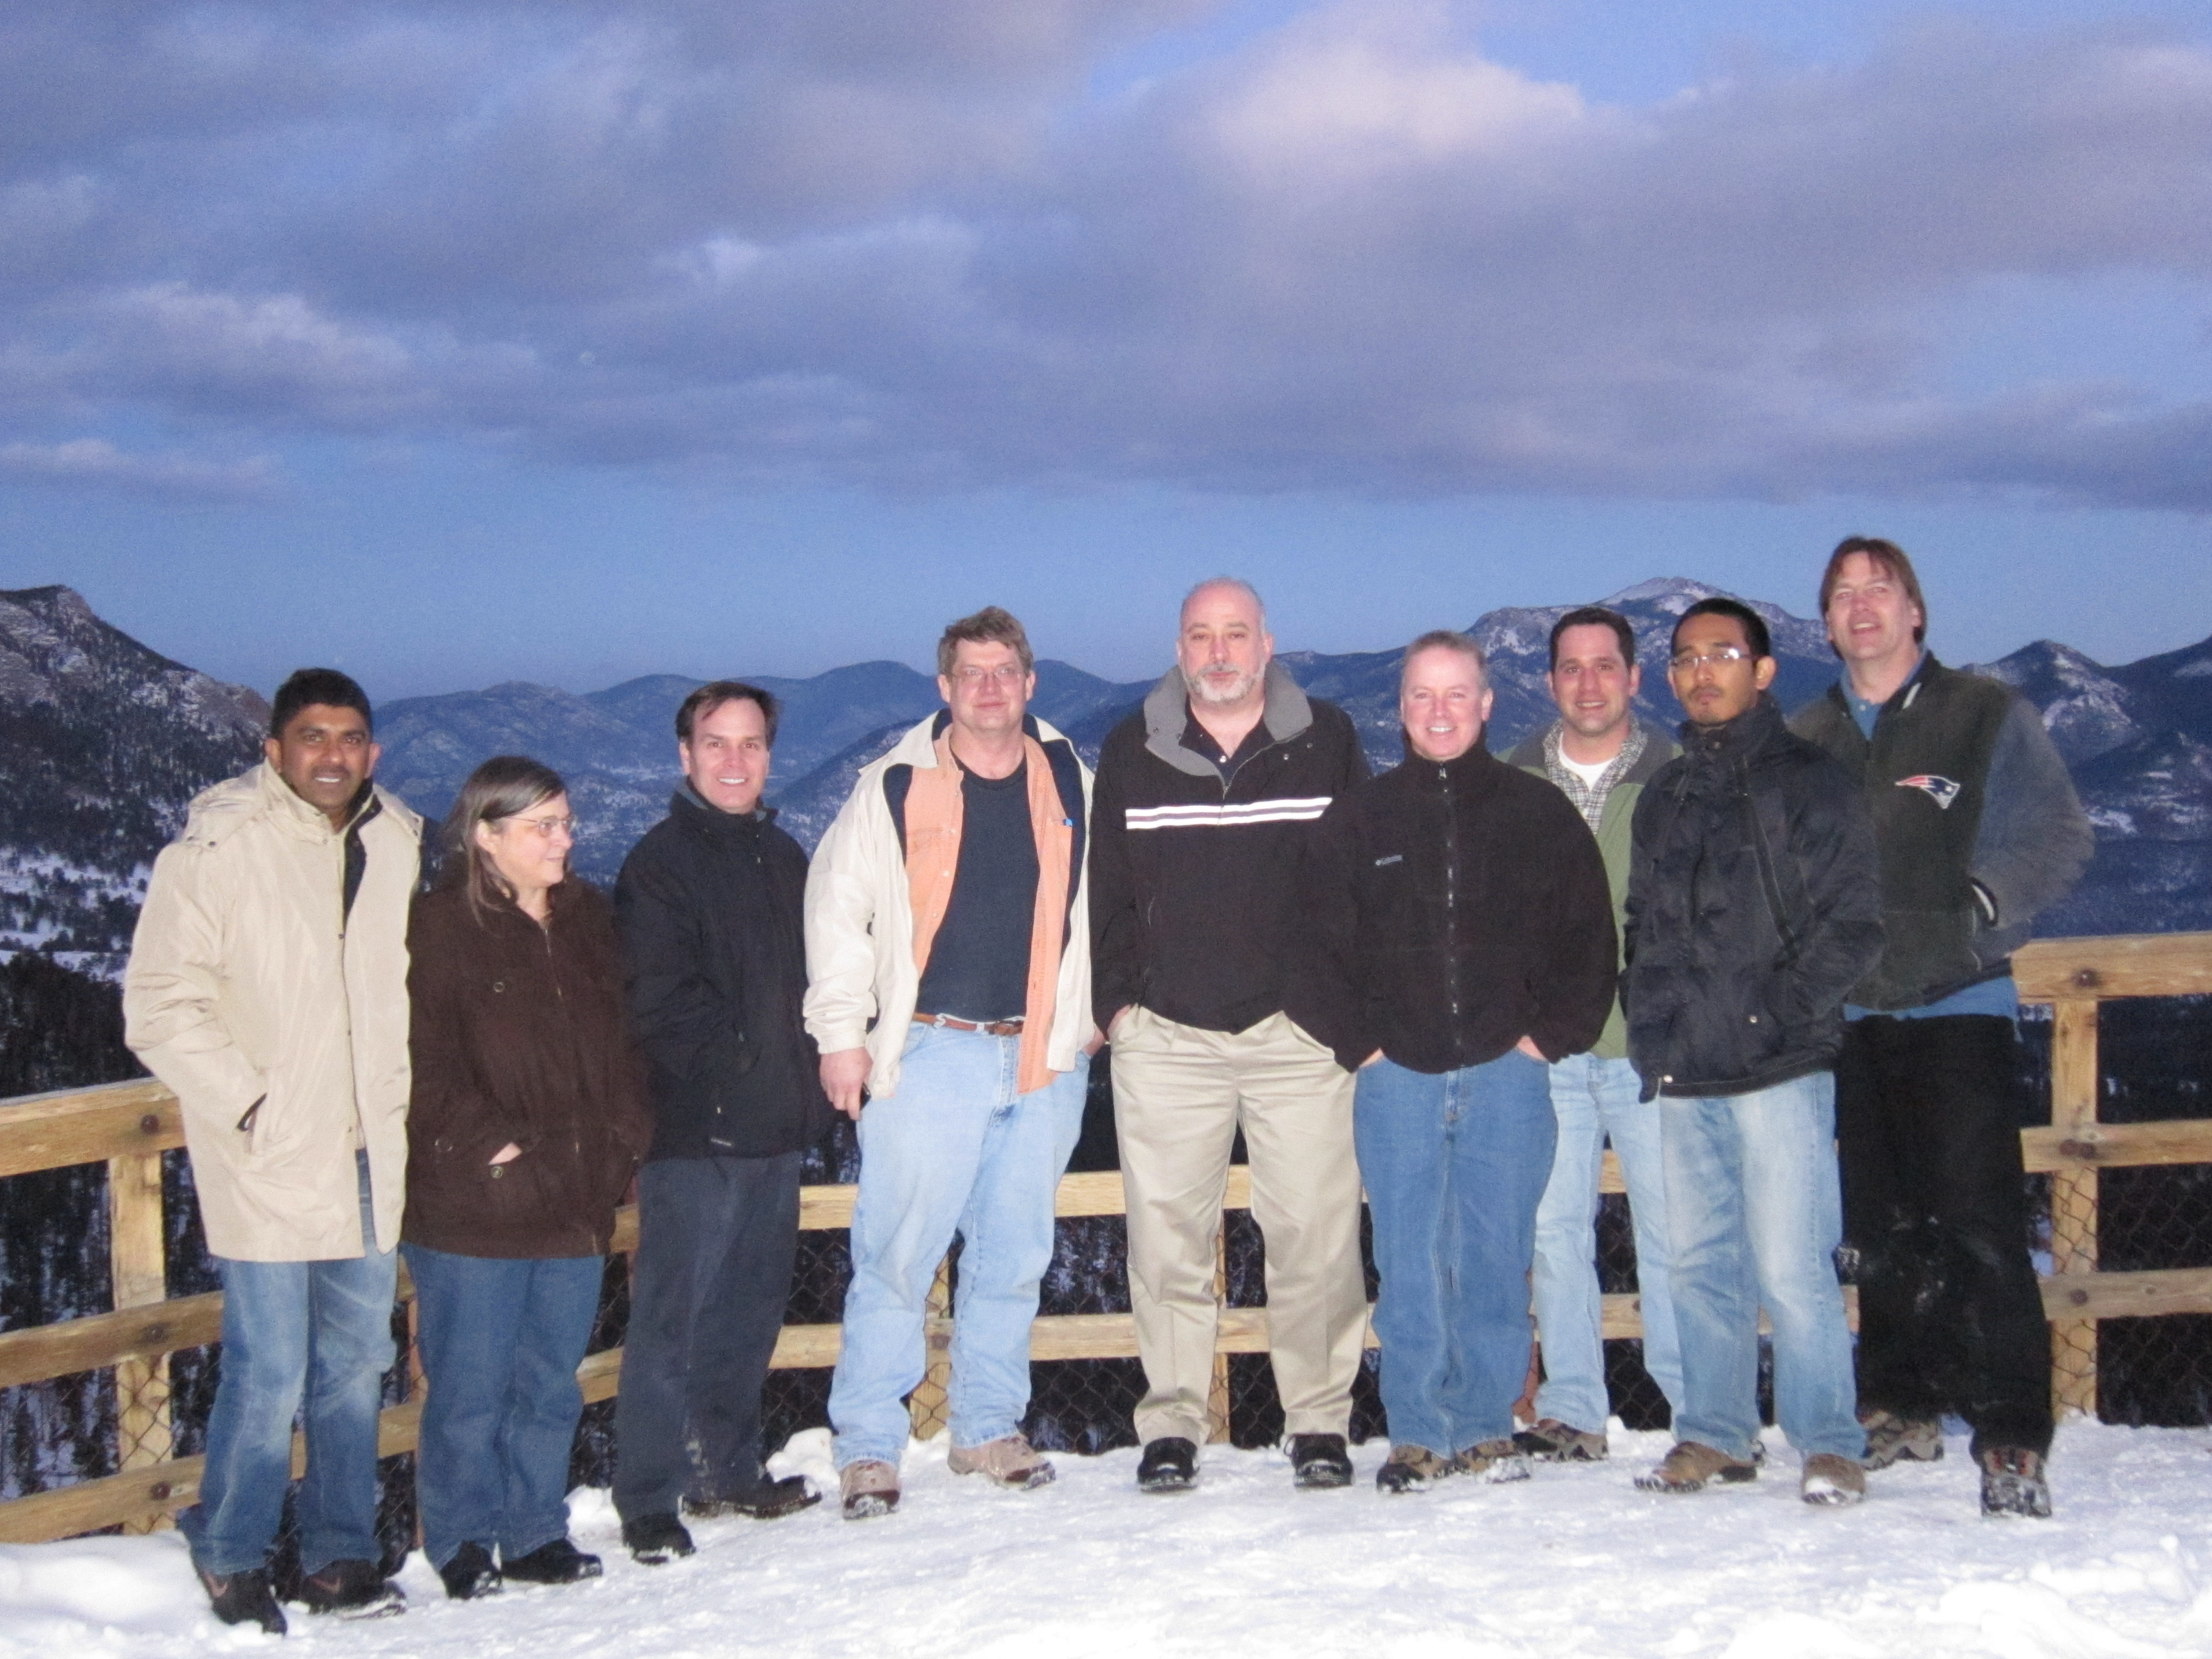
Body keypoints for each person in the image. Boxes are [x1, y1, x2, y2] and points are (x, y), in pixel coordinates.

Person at [1791, 537, 2093, 1518]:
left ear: (1915, 610)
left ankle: (2011, 1431)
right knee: (1880, 1228)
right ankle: (1901, 1403)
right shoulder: (1810, 736)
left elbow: (2058, 834)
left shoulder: (1982, 713)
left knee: (1980, 1226)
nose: (1861, 605)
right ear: (1827, 623)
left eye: (1879, 589)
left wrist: (1978, 905)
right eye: (1843, 594)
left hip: (1959, 1002)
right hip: (1854, 1014)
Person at [124, 669, 421, 1633]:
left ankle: (339, 1553)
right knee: (269, 1371)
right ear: (274, 750)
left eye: (350, 737)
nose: (332, 755)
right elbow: (157, 1006)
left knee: (356, 1364)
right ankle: (231, 1550)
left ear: (372, 750)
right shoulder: (217, 851)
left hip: (369, 1150)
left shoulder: (395, 840)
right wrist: (252, 1106)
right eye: (312, 737)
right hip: (271, 1157)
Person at [1292, 632, 1615, 1493]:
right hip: (1395, 1078)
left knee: (1495, 1256)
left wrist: (1545, 1040)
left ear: (1486, 704)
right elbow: (1309, 952)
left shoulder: (1536, 814)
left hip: (1509, 1075)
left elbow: (1590, 940)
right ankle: (1415, 1430)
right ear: (1401, 708)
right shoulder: (1360, 821)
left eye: (1456, 695)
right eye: (1422, 696)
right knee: (1407, 1260)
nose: (1439, 712)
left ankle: (1482, 1424)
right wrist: (1362, 1046)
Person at [804, 607, 1095, 1519]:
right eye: (972, 672)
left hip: (1042, 1053)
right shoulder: (895, 785)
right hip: (931, 1047)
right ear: (945, 686)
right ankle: (868, 1444)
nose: (989, 688)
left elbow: (1113, 902)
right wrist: (840, 1034)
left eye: (1005, 671)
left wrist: (1096, 1012)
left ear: (1030, 683)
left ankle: (986, 1427)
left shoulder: (1072, 779)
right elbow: (837, 907)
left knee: (1014, 1254)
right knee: (898, 1254)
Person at [1090, 577, 1372, 1493]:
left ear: (1266, 644)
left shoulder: (1326, 740)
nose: (1219, 653)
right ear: (1179, 649)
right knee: (1165, 1240)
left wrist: (1343, 1009)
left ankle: (1318, 1421)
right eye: (1202, 635)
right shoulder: (1133, 748)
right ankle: (1174, 1422)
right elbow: (1108, 892)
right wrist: (1119, 1009)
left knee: (1315, 1237)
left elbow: (1361, 880)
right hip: (1169, 1038)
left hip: (1298, 1038)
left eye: (1236, 634)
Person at [1621, 598, 1884, 1505]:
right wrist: (1647, 1017)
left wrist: (1782, 1012)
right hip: (1683, 1063)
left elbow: (1854, 922)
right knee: (1700, 1266)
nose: (1703, 671)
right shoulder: (1666, 793)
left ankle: (1829, 1442)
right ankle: (1716, 1432)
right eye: (1687, 658)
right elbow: (1643, 920)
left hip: (1778, 1064)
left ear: (1764, 671)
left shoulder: (1812, 781)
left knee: (1792, 1265)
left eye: (1723, 654)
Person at [403, 757, 650, 1598]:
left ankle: (534, 1530)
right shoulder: (438, 928)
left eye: (566, 823)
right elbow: (419, 1060)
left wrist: (625, 1136)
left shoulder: (587, 918)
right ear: (485, 836)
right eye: (541, 826)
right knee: (470, 1387)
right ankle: (461, 1541)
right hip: (477, 1204)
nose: (563, 840)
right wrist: (495, 1147)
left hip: (576, 1196)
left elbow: (625, 1037)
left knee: (549, 1383)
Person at [612, 682, 834, 1561]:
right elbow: (660, 1003)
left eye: (750, 744)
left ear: (769, 756)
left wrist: (800, 1084)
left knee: (746, 1317)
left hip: (774, 1130)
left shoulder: (782, 856)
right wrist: (745, 1071)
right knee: (672, 1322)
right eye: (716, 743)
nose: (734, 760)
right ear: (686, 755)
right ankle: (647, 1496)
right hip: (698, 1135)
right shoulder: (660, 865)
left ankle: (726, 1469)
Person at [1504, 606, 1683, 1462]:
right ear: (1549, 682)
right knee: (1554, 1232)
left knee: (1673, 1233)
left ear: (1634, 678)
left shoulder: (1677, 777)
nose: (1588, 683)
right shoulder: (1513, 781)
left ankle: (1700, 1410)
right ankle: (1573, 1407)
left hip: (1651, 1046)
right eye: (1571, 668)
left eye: (1605, 666)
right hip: (1547, 1047)